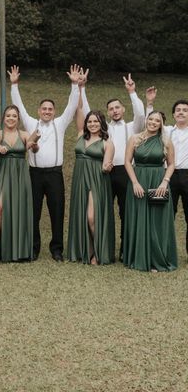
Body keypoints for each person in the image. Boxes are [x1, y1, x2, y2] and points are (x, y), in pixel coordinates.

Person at [9, 64, 81, 261]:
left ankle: (57, 249)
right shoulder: (31, 123)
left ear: (54, 111)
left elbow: (72, 106)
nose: (47, 111)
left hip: (55, 174)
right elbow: (19, 107)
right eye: (44, 109)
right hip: (34, 174)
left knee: (57, 212)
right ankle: (33, 248)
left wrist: (75, 85)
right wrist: (14, 85)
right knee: (33, 213)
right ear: (39, 110)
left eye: (50, 109)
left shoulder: (60, 123)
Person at [80, 73, 147, 259]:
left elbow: (141, 114)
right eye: (111, 109)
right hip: (105, 174)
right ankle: (102, 249)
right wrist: (82, 89)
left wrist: (132, 91)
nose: (115, 111)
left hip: (126, 173)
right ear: (107, 113)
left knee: (126, 214)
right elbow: (87, 114)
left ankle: (126, 250)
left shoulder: (134, 127)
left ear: (123, 109)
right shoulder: (104, 130)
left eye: (117, 107)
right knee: (102, 211)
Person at [68, 74, 116, 264]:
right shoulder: (81, 134)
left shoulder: (107, 142)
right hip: (80, 178)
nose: (92, 124)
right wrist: (79, 87)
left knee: (91, 217)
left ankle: (98, 250)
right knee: (81, 215)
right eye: (90, 121)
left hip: (97, 180)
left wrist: (107, 167)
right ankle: (83, 251)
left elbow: (107, 164)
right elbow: (78, 108)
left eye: (96, 121)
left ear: (101, 123)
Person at [123, 111, 177, 272]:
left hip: (158, 182)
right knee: (138, 217)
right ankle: (138, 257)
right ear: (146, 120)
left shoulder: (166, 141)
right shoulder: (134, 138)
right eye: (151, 119)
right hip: (138, 180)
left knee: (156, 221)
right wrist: (134, 183)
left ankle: (156, 259)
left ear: (161, 124)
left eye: (157, 121)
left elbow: (171, 164)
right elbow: (127, 161)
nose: (153, 122)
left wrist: (164, 183)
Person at [0, 105, 39, 264]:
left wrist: (35, 143)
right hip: (2, 172)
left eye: (14, 116)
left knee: (17, 210)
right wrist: (0, 148)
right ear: (3, 118)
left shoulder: (23, 134)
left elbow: (33, 147)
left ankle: (17, 250)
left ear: (18, 119)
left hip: (19, 175)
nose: (11, 118)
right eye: (8, 115)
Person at [146, 90, 188, 256]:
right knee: (165, 214)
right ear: (173, 114)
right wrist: (149, 103)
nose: (181, 112)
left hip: (187, 175)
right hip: (167, 176)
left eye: (185, 110)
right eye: (178, 110)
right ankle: (163, 251)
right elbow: (150, 121)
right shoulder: (167, 131)